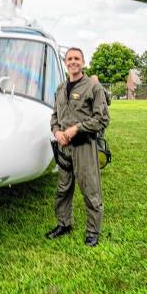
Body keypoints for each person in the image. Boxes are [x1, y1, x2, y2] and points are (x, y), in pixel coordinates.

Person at [46, 47, 109, 247]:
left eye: (77, 58)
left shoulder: (93, 87)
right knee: (63, 189)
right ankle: (64, 224)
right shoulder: (60, 89)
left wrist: (76, 129)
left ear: (83, 62)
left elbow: (102, 119)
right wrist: (56, 132)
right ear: (65, 62)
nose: (73, 62)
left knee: (90, 191)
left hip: (84, 146)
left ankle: (92, 231)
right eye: (70, 58)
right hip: (64, 148)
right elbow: (55, 116)